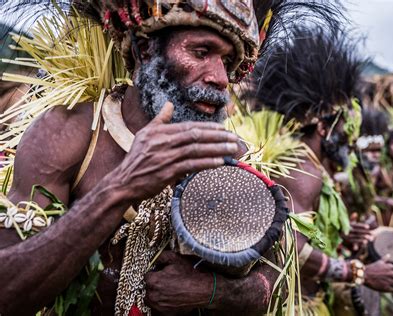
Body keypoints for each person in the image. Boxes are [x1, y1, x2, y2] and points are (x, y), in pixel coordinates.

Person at [0, 1, 292, 314]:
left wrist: (215, 292)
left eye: (228, 61)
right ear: (145, 49)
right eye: (201, 52)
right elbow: (7, 291)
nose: (220, 78)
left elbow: (276, 286)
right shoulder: (66, 136)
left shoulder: (233, 160)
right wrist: (121, 187)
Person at [249, 27, 393, 314]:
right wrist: (359, 273)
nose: (351, 141)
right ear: (324, 128)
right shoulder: (302, 170)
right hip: (296, 306)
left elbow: (307, 232)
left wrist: (345, 234)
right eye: (345, 130)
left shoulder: (312, 166)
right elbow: (290, 247)